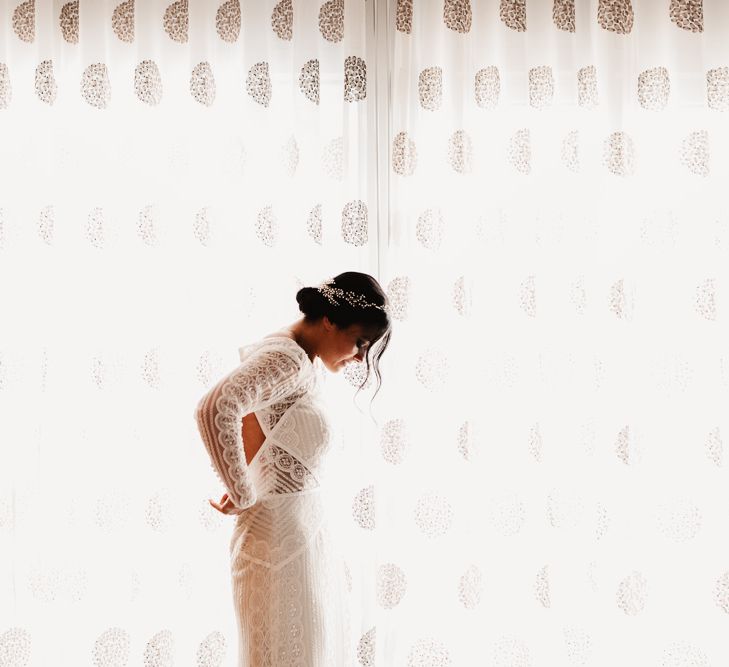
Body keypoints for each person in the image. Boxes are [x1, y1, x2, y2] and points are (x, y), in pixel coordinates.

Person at [194, 271, 392, 666]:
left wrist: (245, 479)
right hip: (279, 544)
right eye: (359, 343)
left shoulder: (299, 356)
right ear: (330, 320)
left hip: (293, 538)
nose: (359, 357)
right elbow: (216, 406)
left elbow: (254, 420)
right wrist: (242, 491)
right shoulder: (287, 359)